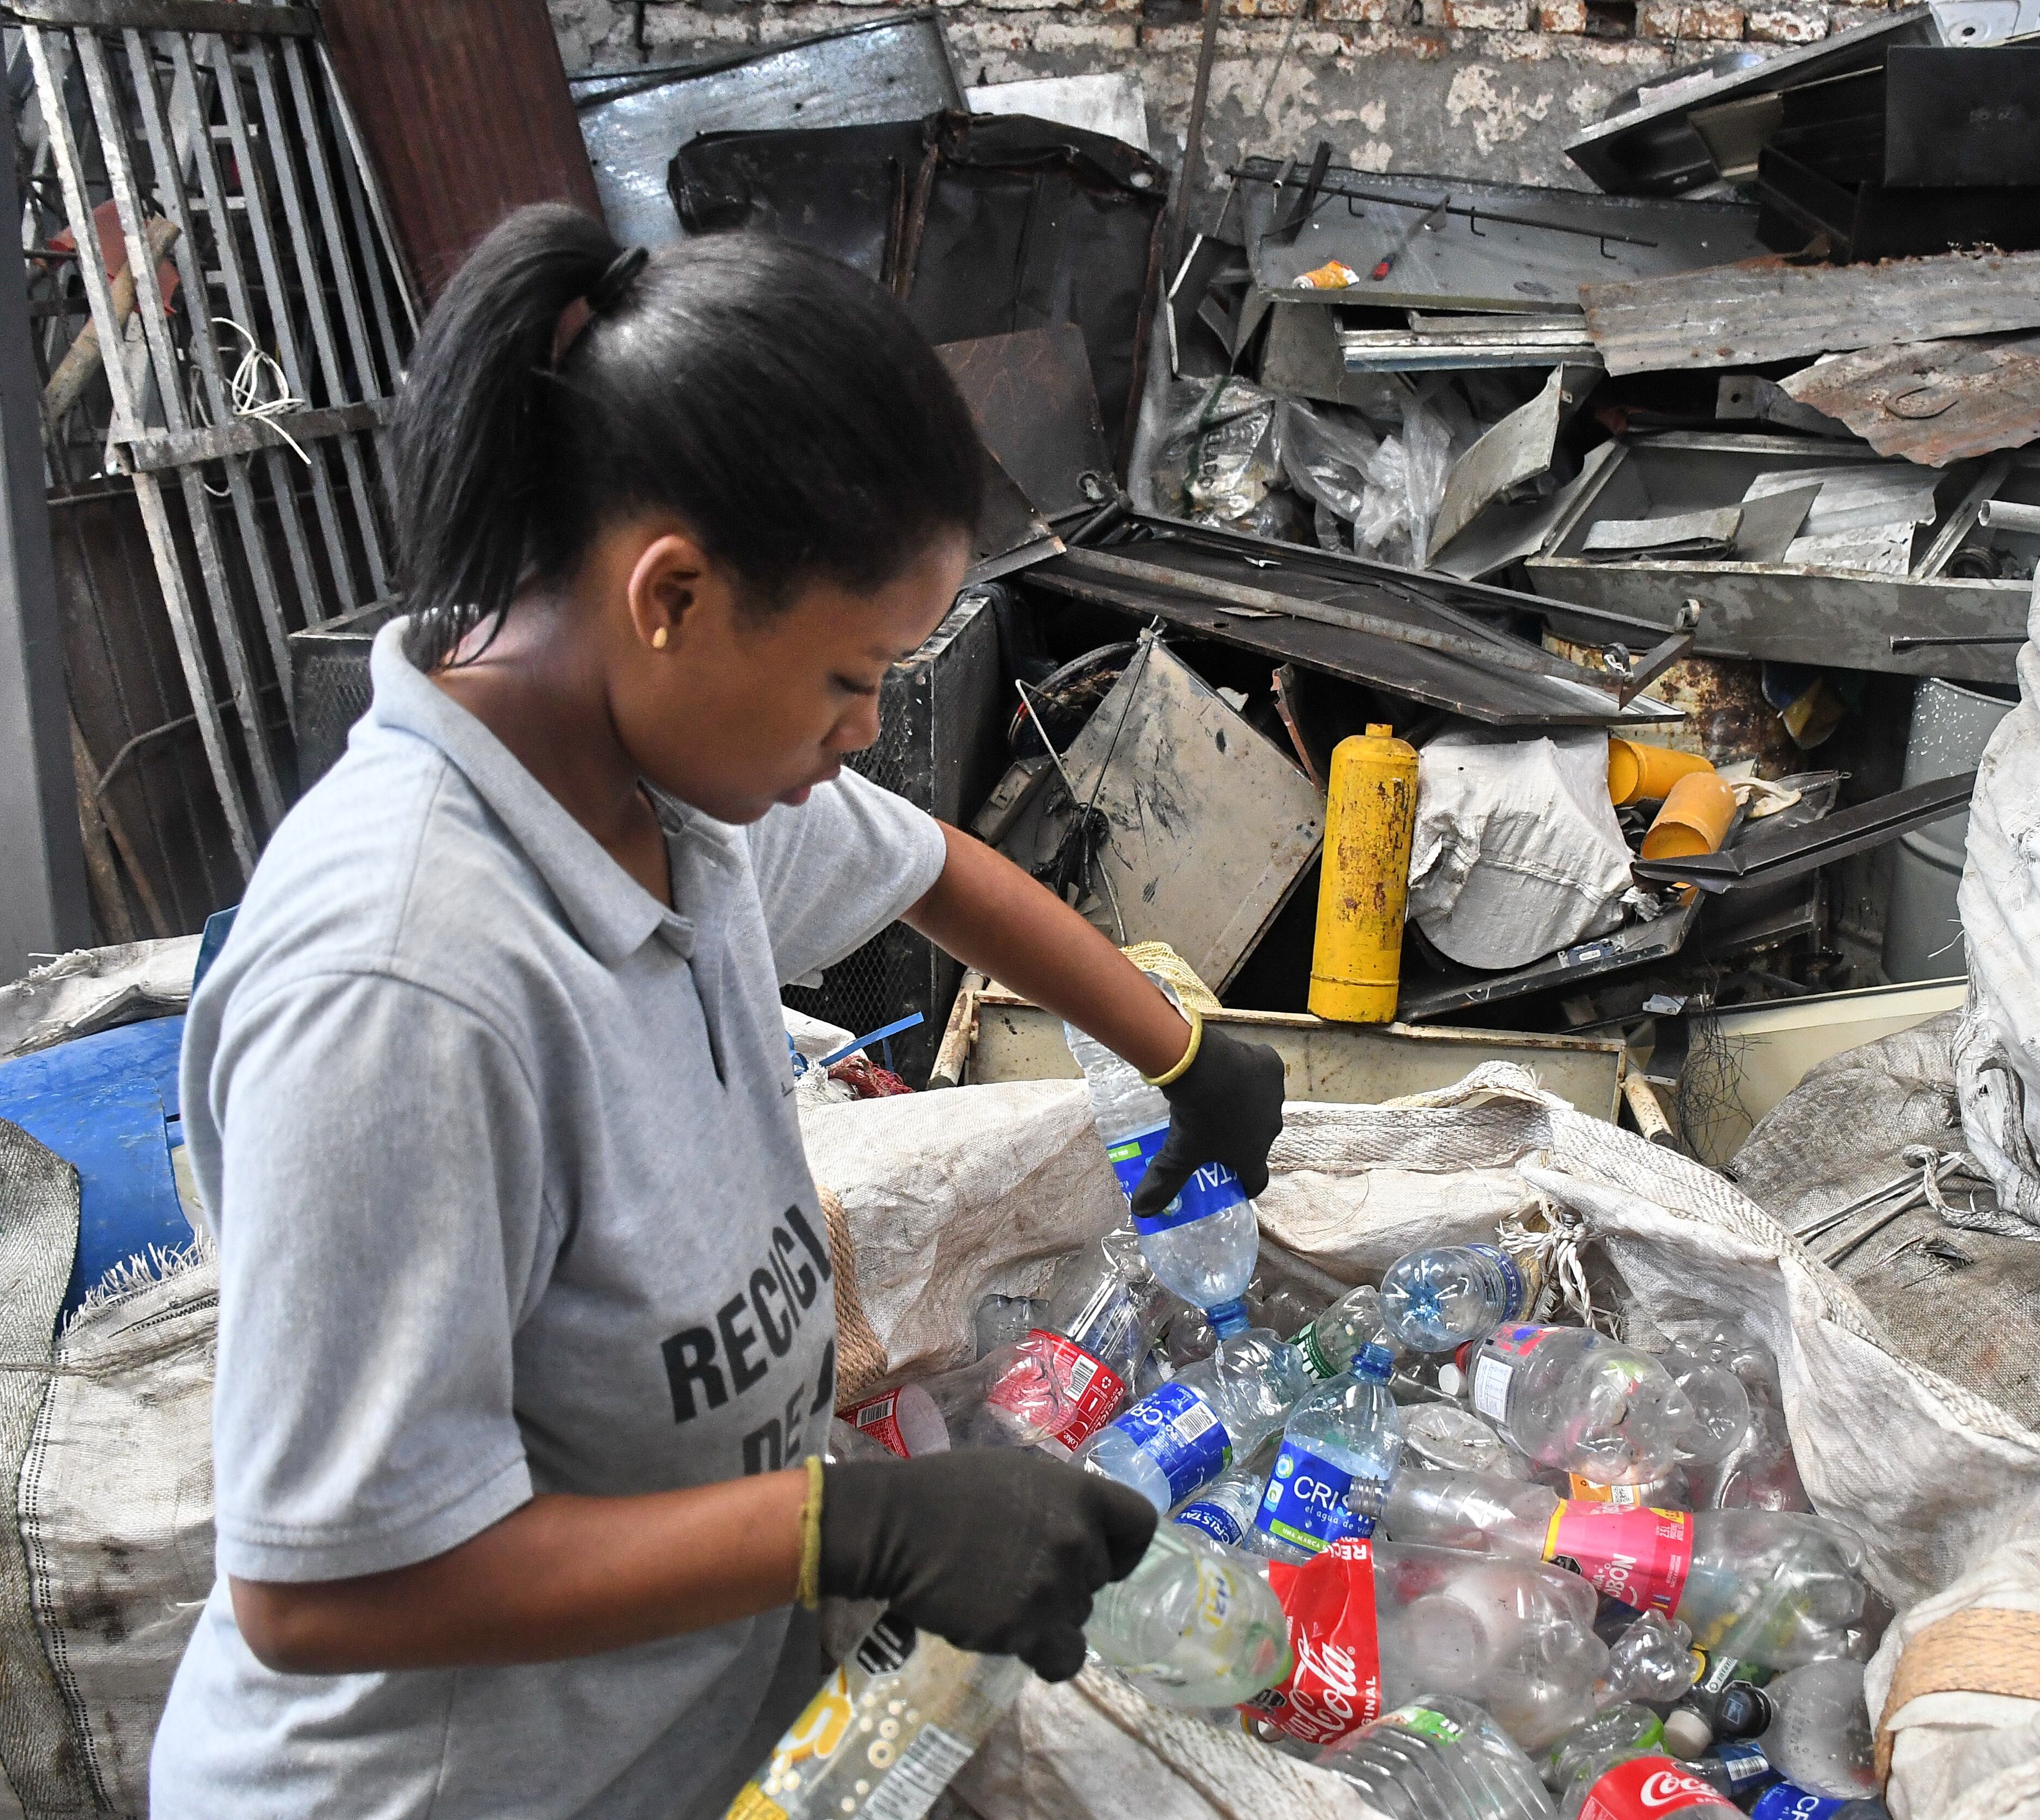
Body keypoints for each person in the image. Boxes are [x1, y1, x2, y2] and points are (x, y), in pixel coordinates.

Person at [148, 205, 1288, 1817]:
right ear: (670, 594)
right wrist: (853, 1530)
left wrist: (1185, 1056)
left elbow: (936, 870)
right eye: (846, 678)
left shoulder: (670, 784)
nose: (869, 725)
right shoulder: (405, 990)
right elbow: (323, 1588)